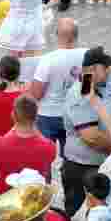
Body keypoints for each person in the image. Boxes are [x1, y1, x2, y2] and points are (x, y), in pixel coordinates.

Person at [62, 47, 111, 219]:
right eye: (106, 67)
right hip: (83, 167)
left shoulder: (107, 86)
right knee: (78, 214)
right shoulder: (80, 92)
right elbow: (91, 137)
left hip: (105, 163)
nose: (110, 71)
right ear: (92, 70)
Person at [25, 17, 85, 152]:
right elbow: (87, 88)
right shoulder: (86, 55)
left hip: (48, 115)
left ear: (57, 35)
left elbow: (37, 94)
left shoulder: (48, 59)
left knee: (43, 155)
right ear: (76, 35)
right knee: (71, 156)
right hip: (75, 114)